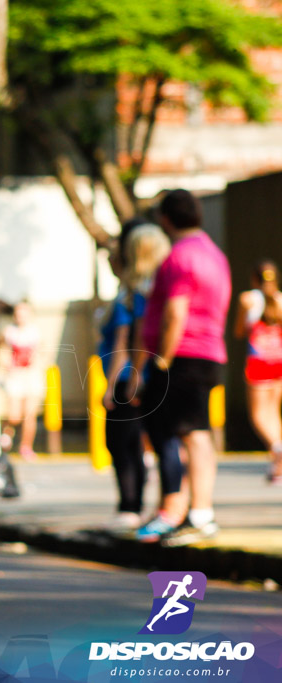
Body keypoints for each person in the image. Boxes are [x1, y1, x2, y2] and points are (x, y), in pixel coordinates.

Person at [130, 189, 230, 545]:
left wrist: (163, 361)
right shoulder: (215, 255)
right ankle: (198, 512)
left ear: (166, 219)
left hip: (182, 355)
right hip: (208, 352)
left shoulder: (179, 257)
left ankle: (187, 512)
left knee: (177, 433)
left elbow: (175, 312)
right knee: (196, 431)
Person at [98, 223, 171, 528]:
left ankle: (130, 505)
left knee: (121, 442)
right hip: (141, 374)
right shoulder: (147, 288)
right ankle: (137, 504)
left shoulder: (133, 293)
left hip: (129, 376)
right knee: (137, 442)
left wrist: (113, 384)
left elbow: (125, 341)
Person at [234, 260, 282, 483]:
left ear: (255, 278)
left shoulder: (248, 299)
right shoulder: (281, 299)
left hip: (259, 362)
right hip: (279, 361)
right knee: (274, 413)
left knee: (259, 415)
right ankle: (278, 466)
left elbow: (239, 331)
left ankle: (277, 447)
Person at [0, 300, 44, 459]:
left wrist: (37, 361)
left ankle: (25, 447)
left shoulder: (35, 332)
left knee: (29, 414)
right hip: (15, 376)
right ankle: (5, 438)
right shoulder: (9, 331)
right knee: (14, 415)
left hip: (31, 375)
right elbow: (0, 347)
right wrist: (4, 361)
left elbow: (42, 351)